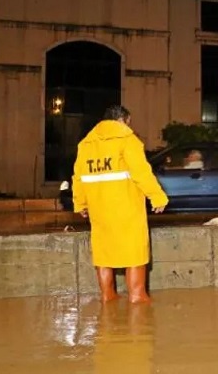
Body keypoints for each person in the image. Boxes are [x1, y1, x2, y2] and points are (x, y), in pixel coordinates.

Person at [72, 105, 168, 303]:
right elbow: (141, 172)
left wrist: (80, 203)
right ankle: (137, 297)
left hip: (99, 211)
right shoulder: (128, 140)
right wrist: (157, 196)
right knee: (134, 254)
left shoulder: (86, 144)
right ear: (124, 119)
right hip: (127, 209)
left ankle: (108, 297)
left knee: (103, 254)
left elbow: (78, 177)